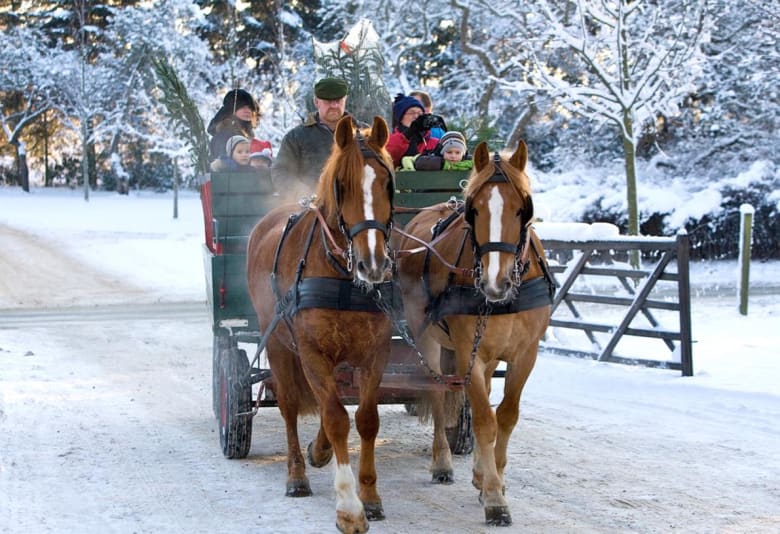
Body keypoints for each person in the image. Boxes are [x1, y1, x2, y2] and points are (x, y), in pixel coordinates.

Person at [273, 77, 363, 195]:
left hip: (355, 204)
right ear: (316, 102)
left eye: (338, 101)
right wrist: (303, 192)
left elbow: (380, 168)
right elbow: (280, 172)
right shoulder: (297, 137)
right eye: (328, 101)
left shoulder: (363, 133)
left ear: (345, 100)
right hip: (313, 206)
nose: (334, 106)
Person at [385, 93, 441, 169]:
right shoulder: (390, 140)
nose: (416, 116)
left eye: (420, 113)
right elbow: (387, 157)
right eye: (411, 113)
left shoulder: (434, 142)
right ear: (400, 118)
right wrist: (407, 135)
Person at [207, 88, 260, 162]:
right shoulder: (224, 135)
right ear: (230, 109)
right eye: (241, 106)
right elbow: (224, 167)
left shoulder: (244, 134)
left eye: (250, 107)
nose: (247, 110)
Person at [401, 131, 473, 172]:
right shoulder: (434, 157)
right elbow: (420, 162)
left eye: (457, 153)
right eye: (449, 152)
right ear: (442, 152)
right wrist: (444, 164)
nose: (453, 156)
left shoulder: (469, 162)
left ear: (463, 153)